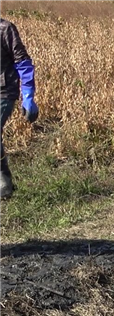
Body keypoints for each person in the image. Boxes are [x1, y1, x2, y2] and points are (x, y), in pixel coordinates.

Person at [0, 17, 38, 200]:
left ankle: (3, 181)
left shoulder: (5, 29)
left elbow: (22, 61)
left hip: (4, 92)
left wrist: (28, 95)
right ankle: (5, 181)